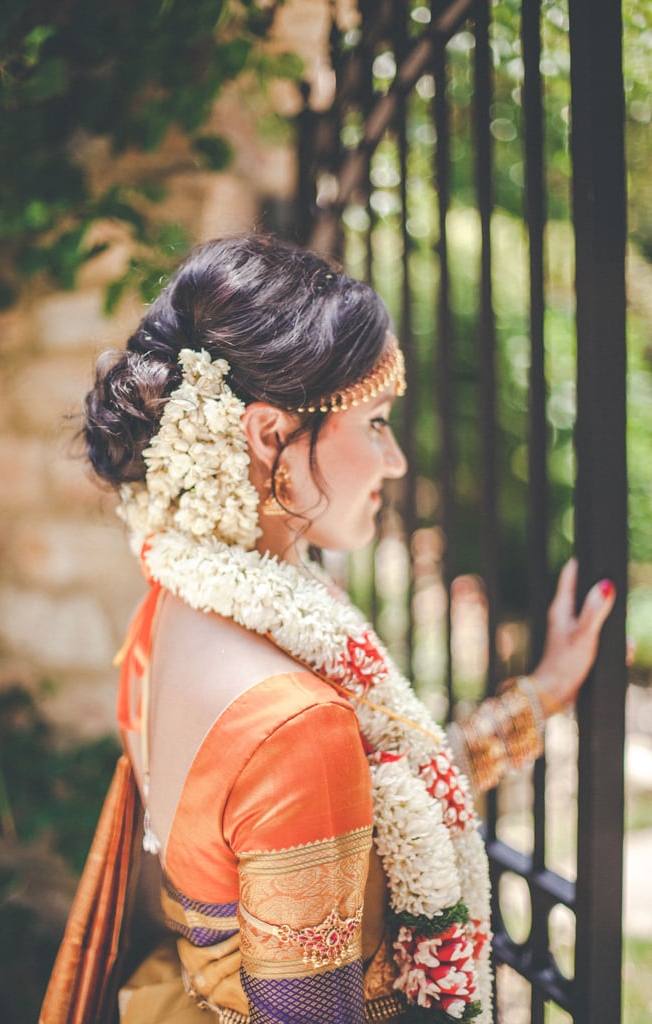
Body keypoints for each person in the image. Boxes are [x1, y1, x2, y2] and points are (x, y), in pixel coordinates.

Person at [58, 235, 615, 1023]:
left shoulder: (176, 603)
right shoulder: (295, 723)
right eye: (377, 423)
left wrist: (540, 697)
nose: (393, 463)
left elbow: (372, 803)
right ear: (266, 435)